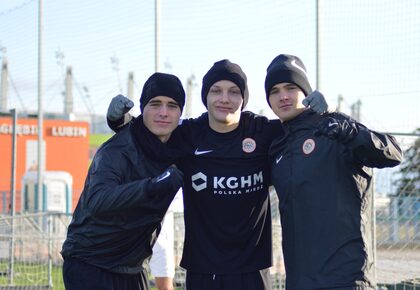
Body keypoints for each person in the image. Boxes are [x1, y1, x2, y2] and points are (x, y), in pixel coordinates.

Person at [107, 59, 328, 290]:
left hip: (252, 270)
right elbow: (148, 137)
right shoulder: (188, 135)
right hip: (203, 270)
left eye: (233, 92)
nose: (225, 99)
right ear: (206, 97)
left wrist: (323, 113)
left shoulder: (264, 132)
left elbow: (302, 132)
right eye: (216, 91)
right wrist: (118, 120)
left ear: (244, 98)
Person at [264, 54, 403, 289]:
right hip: (300, 281)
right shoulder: (276, 145)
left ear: (306, 92)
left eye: (291, 87)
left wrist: (346, 127)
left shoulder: (333, 127)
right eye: (274, 91)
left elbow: (392, 152)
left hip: (346, 279)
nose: (283, 96)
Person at [61, 72, 186, 290]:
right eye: (155, 104)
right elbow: (98, 200)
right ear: (143, 108)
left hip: (131, 267)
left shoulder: (180, 142)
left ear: (180, 113)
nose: (163, 113)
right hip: (91, 263)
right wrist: (151, 186)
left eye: (172, 106)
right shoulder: (117, 150)